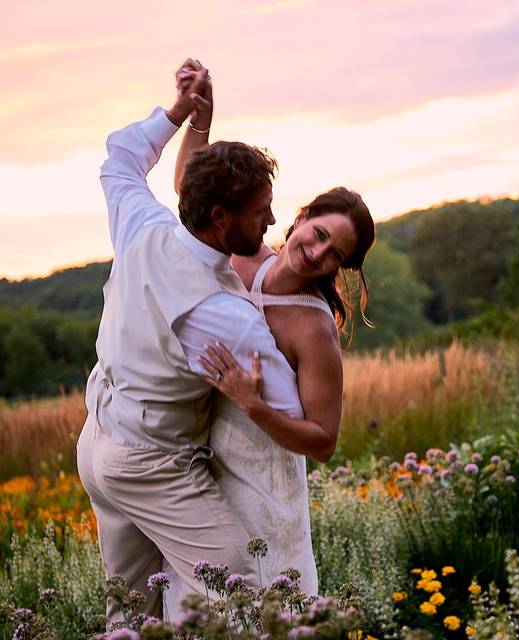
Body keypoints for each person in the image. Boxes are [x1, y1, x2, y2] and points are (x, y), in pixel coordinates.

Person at [76, 59, 349, 624]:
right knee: (241, 585)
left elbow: (121, 158)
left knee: (130, 612)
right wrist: (255, 393)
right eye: (260, 211)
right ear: (221, 218)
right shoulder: (227, 316)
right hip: (152, 465)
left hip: (95, 445)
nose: (273, 220)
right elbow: (298, 414)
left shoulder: (141, 223)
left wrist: (179, 115)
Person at [168, 61, 376, 602]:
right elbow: (193, 200)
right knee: (206, 607)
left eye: (338, 254)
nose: (321, 252)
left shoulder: (313, 330)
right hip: (207, 468)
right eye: (321, 233)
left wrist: (256, 406)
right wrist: (199, 120)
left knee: (268, 607)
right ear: (302, 217)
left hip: (265, 483)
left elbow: (324, 442)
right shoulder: (241, 259)